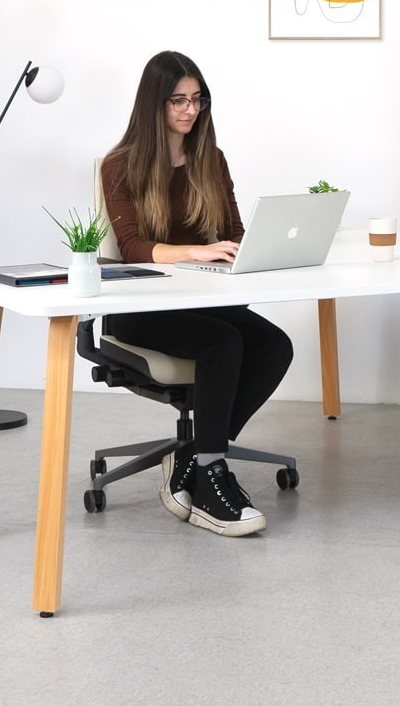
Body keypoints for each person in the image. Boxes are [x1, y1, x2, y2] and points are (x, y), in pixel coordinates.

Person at [100, 51, 294, 537]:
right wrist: (197, 251)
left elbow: (234, 230)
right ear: (154, 104)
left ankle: (194, 455)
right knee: (222, 342)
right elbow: (132, 247)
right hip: (140, 308)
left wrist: (242, 250)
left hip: (202, 299)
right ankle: (209, 475)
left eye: (197, 99)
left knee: (275, 345)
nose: (190, 110)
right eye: (178, 101)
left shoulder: (211, 159)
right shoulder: (120, 165)